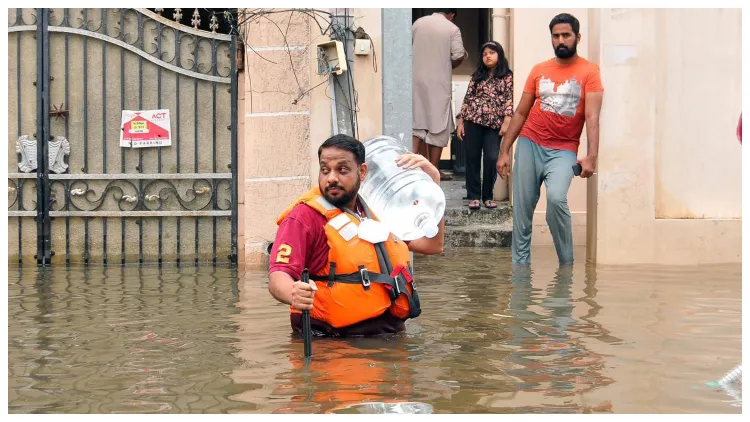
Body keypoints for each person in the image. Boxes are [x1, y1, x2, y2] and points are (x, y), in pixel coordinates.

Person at [268, 134, 445, 337]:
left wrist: (434, 186)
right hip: (332, 345)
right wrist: (293, 293)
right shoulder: (304, 217)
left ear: (362, 172)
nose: (331, 178)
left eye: (342, 169)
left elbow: (433, 245)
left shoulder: (380, 208)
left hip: (389, 343)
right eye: (325, 170)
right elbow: (277, 277)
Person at [496, 13, 603, 265]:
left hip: (564, 150)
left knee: (556, 199)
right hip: (530, 144)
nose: (561, 40)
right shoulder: (539, 69)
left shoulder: (590, 71)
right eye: (556, 36)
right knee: (522, 214)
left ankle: (566, 268)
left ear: (577, 37)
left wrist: (591, 156)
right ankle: (520, 279)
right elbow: (521, 112)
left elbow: (593, 117)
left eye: (566, 35)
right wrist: (504, 151)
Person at [456, 40, 514, 210]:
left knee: (490, 158)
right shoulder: (477, 76)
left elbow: (509, 100)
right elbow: (467, 100)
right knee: (472, 158)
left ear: (499, 55)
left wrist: (507, 121)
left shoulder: (507, 76)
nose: (487, 56)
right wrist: (461, 122)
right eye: (484, 54)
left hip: (493, 125)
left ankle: (487, 195)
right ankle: (473, 196)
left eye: (491, 53)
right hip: (472, 122)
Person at [412, 8, 468, 181]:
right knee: (439, 126)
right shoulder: (451, 28)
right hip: (439, 83)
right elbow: (458, 54)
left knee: (417, 124)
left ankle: (410, 170)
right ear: (451, 15)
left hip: (415, 80)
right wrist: (447, 65)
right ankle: (433, 170)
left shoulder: (417, 23)